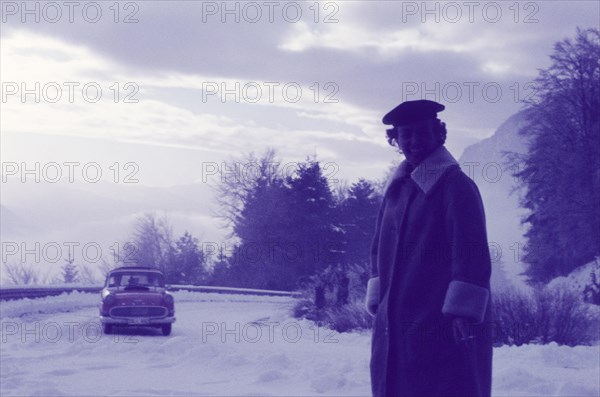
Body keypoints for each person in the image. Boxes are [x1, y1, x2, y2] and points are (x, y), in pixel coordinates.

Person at [365, 100, 493, 397]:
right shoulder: (396, 189)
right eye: (405, 134)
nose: (414, 142)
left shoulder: (456, 186)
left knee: (440, 383)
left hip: (440, 320)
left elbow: (471, 251)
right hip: (394, 319)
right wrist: (380, 301)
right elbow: (377, 249)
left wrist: (462, 312)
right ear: (395, 140)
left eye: (422, 133)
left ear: (438, 134)